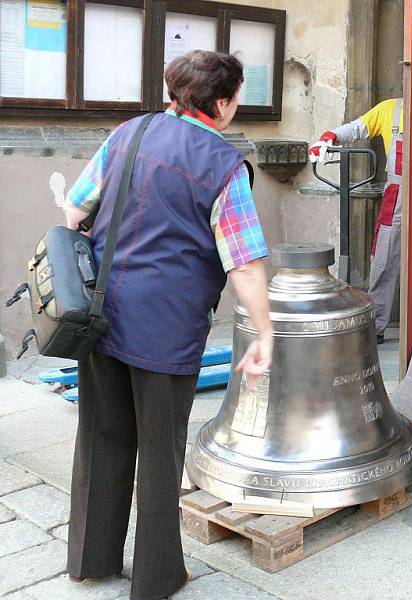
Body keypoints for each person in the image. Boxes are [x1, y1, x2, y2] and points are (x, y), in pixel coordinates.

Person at [62, 51, 274, 599]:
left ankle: (90, 560)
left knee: (102, 435)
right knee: (160, 452)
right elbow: (244, 261)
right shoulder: (225, 165)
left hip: (100, 314)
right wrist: (265, 331)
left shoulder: (129, 133)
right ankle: (156, 578)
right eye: (235, 99)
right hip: (167, 327)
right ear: (222, 103)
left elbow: (75, 209)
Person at [309, 98, 412, 343]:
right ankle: (376, 325)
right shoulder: (388, 109)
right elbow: (357, 128)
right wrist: (329, 137)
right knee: (383, 259)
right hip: (396, 196)